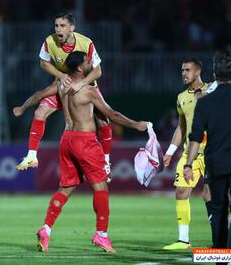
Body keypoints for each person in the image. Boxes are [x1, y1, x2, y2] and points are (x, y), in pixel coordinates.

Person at [35, 51, 148, 253]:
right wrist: (135, 124)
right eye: (87, 62)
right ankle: (101, 235)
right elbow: (111, 115)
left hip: (66, 140)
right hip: (85, 141)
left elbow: (38, 96)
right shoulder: (89, 90)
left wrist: (22, 107)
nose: (90, 64)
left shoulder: (61, 85)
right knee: (101, 187)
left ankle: (46, 229)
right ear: (80, 68)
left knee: (66, 187)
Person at [16, 12, 112, 172]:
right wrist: (61, 76)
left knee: (103, 121)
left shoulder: (86, 43)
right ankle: (32, 155)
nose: (58, 29)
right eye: (56, 25)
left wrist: (81, 83)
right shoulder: (49, 41)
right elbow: (43, 63)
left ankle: (106, 161)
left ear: (72, 28)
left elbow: (98, 71)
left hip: (86, 86)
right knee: (40, 112)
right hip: (62, 85)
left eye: (62, 26)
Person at [184, 50, 231, 255]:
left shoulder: (205, 102)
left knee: (218, 209)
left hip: (215, 162)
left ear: (215, 76)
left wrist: (189, 164)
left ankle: (220, 255)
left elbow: (195, 137)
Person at [163, 58, 211, 250]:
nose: (183, 73)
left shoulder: (212, 90)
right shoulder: (181, 97)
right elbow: (181, 127)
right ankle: (184, 240)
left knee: (212, 196)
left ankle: (223, 235)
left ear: (198, 71)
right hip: (189, 152)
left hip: (211, 151)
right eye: (182, 70)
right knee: (181, 191)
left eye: (187, 70)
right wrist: (170, 151)